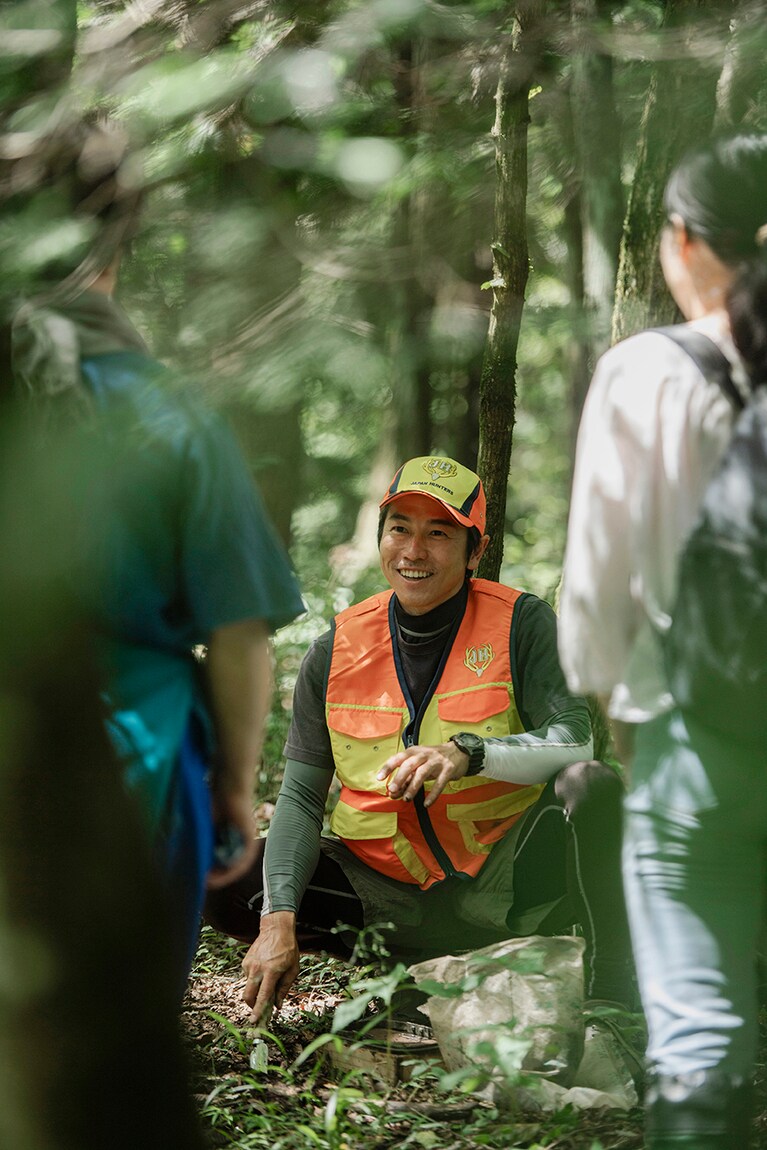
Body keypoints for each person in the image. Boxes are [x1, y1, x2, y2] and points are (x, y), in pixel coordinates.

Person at [10, 125, 305, 976]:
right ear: (115, 241)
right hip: (138, 749)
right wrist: (237, 788)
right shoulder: (169, 415)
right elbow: (241, 632)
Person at [205, 455, 634, 1024]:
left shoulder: (522, 624)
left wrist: (469, 753)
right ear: (381, 535)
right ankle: (415, 966)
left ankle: (613, 984)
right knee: (221, 873)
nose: (413, 551)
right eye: (400, 528)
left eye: (439, 533)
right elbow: (302, 798)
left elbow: (575, 743)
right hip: (385, 889)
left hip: (504, 879)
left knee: (593, 786)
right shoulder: (337, 648)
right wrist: (277, 918)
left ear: (475, 550)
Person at [558, 134, 767, 1149]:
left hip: (704, 733)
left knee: (697, 1018)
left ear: (682, 241)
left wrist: (618, 709)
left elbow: (600, 580)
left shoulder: (646, 371)